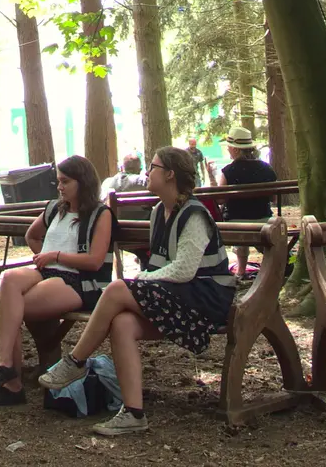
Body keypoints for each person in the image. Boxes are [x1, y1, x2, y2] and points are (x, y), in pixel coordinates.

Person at [37, 145, 238, 436]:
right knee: (122, 323)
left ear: (169, 175)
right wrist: (145, 279)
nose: (147, 172)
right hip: (177, 295)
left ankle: (75, 361)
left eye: (153, 167)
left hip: (204, 300)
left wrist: (141, 280)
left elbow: (184, 271)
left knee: (118, 288)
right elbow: (162, 268)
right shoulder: (159, 212)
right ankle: (133, 412)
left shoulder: (194, 214)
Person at [0, 154, 114, 408]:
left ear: (82, 182)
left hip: (79, 281)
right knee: (9, 277)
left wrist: (55, 255)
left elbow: (96, 261)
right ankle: (6, 366)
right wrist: (44, 256)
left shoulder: (100, 214)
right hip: (47, 272)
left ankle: (11, 382)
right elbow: (32, 235)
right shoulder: (55, 208)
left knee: (3, 308)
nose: (60, 187)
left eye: (65, 181)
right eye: (58, 182)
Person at [217, 126, 276, 279]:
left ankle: (241, 271)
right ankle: (272, 270)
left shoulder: (228, 171)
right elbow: (273, 198)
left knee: (241, 228)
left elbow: (220, 199)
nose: (228, 150)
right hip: (264, 219)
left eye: (229, 147)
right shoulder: (266, 168)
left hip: (235, 222)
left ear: (236, 150)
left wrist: (211, 177)